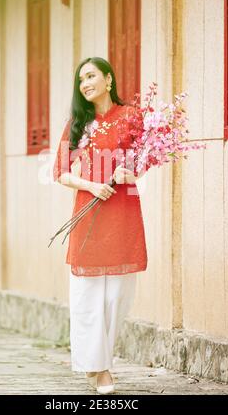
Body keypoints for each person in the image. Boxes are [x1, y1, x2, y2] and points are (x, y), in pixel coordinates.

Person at [53, 57, 148, 394]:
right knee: (88, 295)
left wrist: (129, 173)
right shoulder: (78, 123)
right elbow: (60, 172)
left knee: (118, 296)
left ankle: (98, 361)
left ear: (109, 79)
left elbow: (145, 160)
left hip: (123, 213)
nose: (85, 83)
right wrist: (92, 186)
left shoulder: (132, 118)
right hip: (90, 215)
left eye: (91, 76)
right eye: (81, 80)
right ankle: (101, 368)